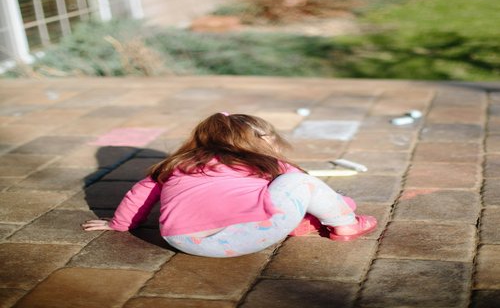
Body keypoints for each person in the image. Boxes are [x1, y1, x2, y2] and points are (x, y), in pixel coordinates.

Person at [82, 112, 377, 258]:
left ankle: (299, 221)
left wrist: (119, 225)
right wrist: (343, 207)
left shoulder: (175, 164)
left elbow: (139, 194)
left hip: (185, 241)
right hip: (250, 236)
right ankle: (346, 225)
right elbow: (309, 188)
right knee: (298, 182)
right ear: (256, 144)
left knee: (261, 197)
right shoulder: (268, 164)